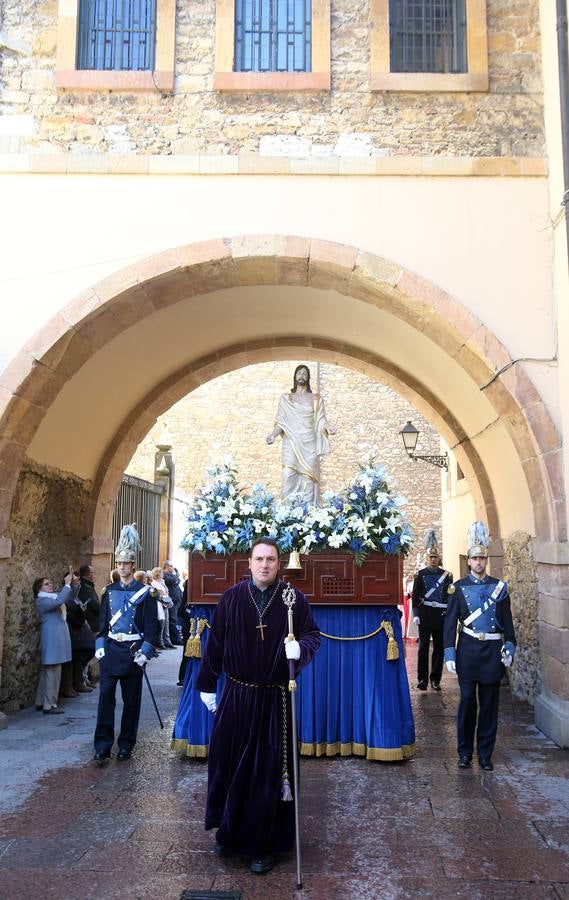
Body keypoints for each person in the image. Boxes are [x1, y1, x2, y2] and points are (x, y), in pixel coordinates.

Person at [196, 537, 320, 874]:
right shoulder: (232, 598)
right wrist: (206, 684)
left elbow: (312, 635)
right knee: (229, 765)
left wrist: (301, 649)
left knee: (266, 774)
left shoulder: (293, 599)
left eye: (271, 559)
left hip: (274, 700)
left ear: (279, 564)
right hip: (236, 696)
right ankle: (229, 832)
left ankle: (263, 845)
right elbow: (216, 644)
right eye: (259, 559)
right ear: (249, 563)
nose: (265, 565)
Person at [444, 521, 516, 772]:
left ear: (486, 560)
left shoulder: (499, 588)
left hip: (492, 654)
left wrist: (510, 648)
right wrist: (449, 652)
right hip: (467, 651)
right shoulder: (458, 588)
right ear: (469, 561)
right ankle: (464, 753)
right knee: (467, 702)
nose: (478, 563)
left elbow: (508, 624)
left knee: (489, 706)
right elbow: (450, 623)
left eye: (481, 558)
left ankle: (485, 754)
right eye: (474, 559)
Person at [93, 524, 160, 764]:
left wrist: (145, 651)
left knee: (131, 702)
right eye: (119, 563)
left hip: (133, 653)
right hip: (111, 651)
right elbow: (102, 625)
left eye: (125, 563)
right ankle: (102, 746)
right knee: (105, 700)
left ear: (133, 565)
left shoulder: (146, 593)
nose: (121, 567)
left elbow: (152, 628)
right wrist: (100, 646)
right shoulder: (108, 591)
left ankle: (126, 744)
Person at [266, 364, 335, 505]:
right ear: (295, 377)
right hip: (291, 442)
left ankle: (309, 512)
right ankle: (287, 511)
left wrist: (328, 427)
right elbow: (281, 422)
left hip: (309, 443)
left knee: (309, 479)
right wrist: (273, 435)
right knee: (288, 474)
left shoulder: (316, 399)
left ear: (308, 377)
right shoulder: (285, 399)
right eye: (299, 373)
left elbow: (321, 420)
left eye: (304, 373)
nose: (301, 376)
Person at [412, 530, 453, 691]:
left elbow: (450, 597)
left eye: (435, 557)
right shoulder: (420, 575)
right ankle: (422, 679)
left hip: (441, 615)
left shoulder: (447, 575)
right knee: (423, 648)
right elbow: (416, 596)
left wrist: (449, 615)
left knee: (439, 648)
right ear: (427, 558)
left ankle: (436, 679)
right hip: (425, 614)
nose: (433, 559)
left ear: (439, 558)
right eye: (431, 557)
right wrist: (416, 614)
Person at [34, 570, 80, 714]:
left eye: (50, 583)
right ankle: (49, 705)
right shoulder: (42, 600)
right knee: (52, 672)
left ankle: (40, 701)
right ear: (39, 589)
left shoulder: (53, 596)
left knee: (48, 671)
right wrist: (66, 585)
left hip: (56, 639)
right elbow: (59, 601)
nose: (50, 585)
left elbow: (69, 596)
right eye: (46, 584)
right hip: (51, 638)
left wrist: (74, 584)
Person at [163, 560, 184, 645]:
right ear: (167, 566)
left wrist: (175, 578)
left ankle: (176, 638)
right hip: (172, 601)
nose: (172, 568)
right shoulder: (164, 575)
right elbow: (173, 580)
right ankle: (175, 639)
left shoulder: (172, 575)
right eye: (171, 566)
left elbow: (177, 580)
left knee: (175, 619)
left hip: (177, 601)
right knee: (173, 620)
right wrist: (175, 577)